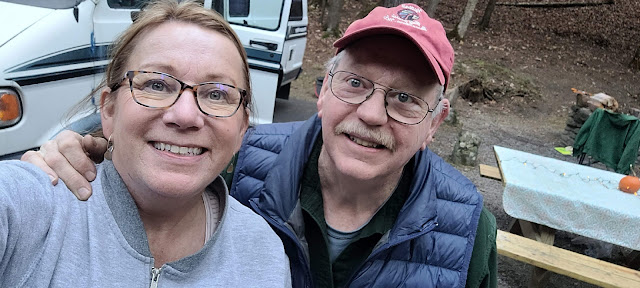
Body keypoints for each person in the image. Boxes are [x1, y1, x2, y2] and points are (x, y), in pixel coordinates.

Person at [23, 3, 497, 288]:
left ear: (436, 122)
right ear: (323, 90)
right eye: (355, 83)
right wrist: (83, 149)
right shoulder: (242, 160)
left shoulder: (469, 231)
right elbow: (158, 148)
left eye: (405, 98)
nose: (372, 114)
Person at [2, 1, 291, 287]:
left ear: (241, 130)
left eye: (216, 94)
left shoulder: (264, 253)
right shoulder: (30, 208)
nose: (185, 116)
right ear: (109, 111)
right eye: (156, 85)